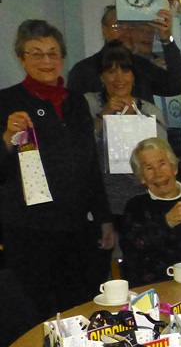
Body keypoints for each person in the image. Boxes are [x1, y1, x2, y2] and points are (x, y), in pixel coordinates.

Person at [0, 20, 112, 320]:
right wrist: (7, 138)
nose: (46, 61)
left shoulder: (76, 102)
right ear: (21, 59)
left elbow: (90, 165)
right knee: (36, 315)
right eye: (36, 54)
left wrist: (103, 218)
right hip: (28, 231)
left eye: (53, 53)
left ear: (62, 56)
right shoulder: (6, 103)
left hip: (76, 228)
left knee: (79, 307)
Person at [85, 41, 168, 215]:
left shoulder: (149, 111)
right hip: (100, 203)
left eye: (125, 70)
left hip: (141, 201)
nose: (119, 78)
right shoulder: (89, 104)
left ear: (133, 75)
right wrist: (104, 114)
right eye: (111, 71)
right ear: (101, 76)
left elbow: (163, 156)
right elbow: (80, 145)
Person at [120, 138, 181, 287]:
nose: (158, 174)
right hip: (155, 288)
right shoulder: (135, 207)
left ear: (174, 168)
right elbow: (133, 253)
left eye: (162, 164)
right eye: (149, 168)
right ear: (141, 178)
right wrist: (166, 222)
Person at [67, 4, 181, 103]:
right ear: (104, 29)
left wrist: (167, 39)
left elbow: (178, 85)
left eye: (131, 27)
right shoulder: (83, 70)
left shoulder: (142, 66)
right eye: (118, 26)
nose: (125, 32)